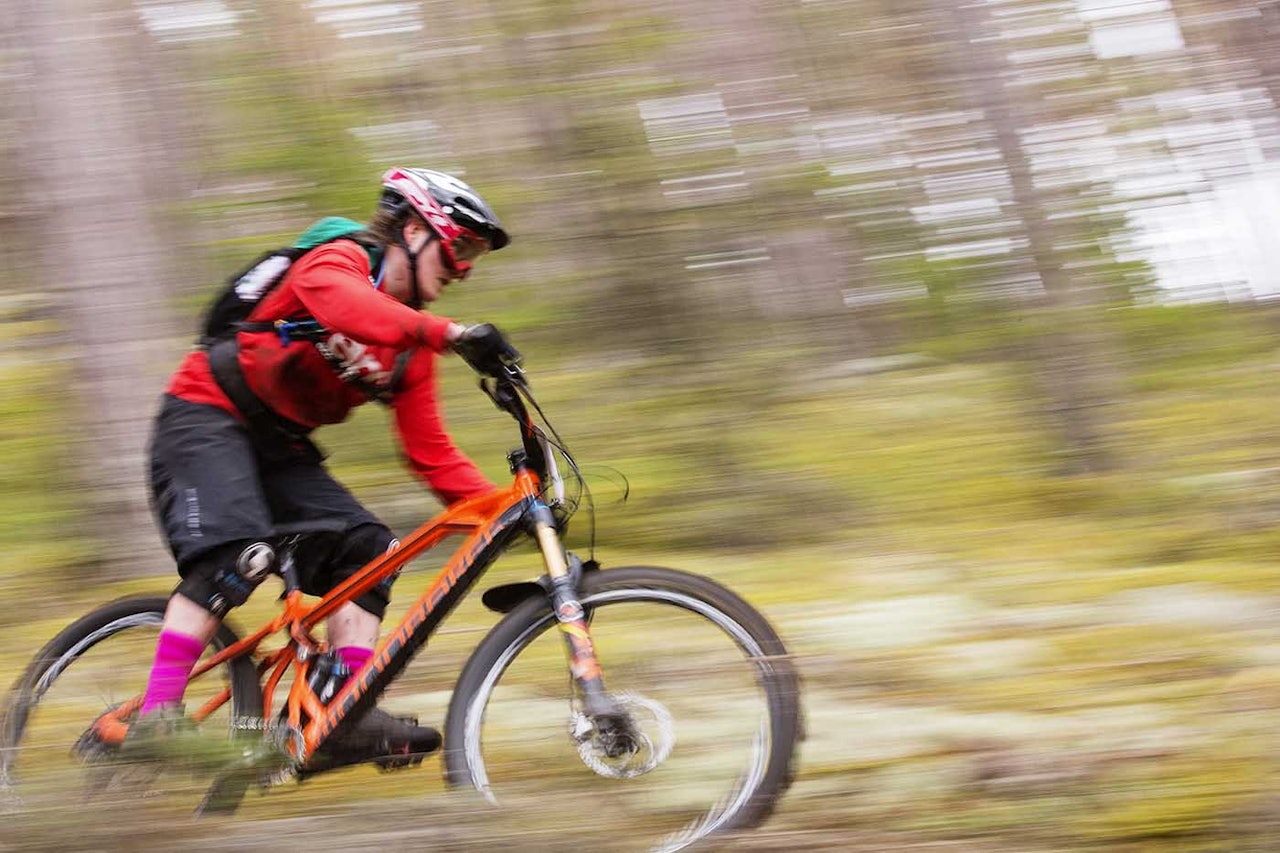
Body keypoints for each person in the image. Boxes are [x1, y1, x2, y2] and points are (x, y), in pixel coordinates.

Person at [135, 167, 510, 769]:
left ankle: (339, 713)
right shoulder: (338, 259)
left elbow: (431, 454)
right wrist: (451, 333)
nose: (463, 269)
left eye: (472, 258)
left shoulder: (409, 349)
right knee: (239, 555)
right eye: (458, 247)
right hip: (206, 414)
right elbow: (347, 306)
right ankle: (155, 717)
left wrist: (512, 508)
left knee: (372, 551)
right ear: (414, 229)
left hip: (280, 449)